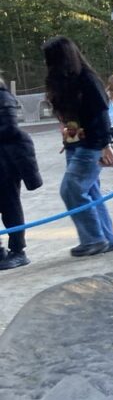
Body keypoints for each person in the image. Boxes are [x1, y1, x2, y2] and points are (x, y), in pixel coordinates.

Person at [43, 36, 113, 257]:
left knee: (72, 189)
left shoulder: (87, 80)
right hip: (73, 144)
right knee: (90, 191)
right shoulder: (62, 82)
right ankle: (107, 238)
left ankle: (94, 239)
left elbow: (101, 115)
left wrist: (105, 145)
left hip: (91, 144)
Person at [0, 73, 42, 269]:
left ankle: (18, 250)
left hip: (5, 163)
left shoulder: (3, 97)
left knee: (10, 207)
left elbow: (9, 129)